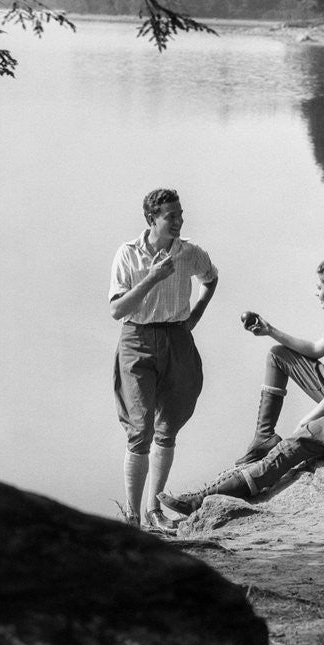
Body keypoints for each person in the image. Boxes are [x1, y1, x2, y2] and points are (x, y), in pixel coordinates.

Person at [159, 256, 324, 516]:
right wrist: (270, 330)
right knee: (278, 355)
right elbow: (316, 350)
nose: (316, 291)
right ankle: (264, 436)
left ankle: (203, 500)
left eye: (320, 286)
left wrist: (307, 421)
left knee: (295, 443)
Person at [109, 188, 218, 532]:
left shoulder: (190, 253)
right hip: (136, 339)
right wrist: (152, 277)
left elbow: (211, 278)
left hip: (176, 338)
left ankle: (154, 512)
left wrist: (193, 318)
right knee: (139, 429)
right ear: (152, 219)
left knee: (168, 427)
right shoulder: (128, 254)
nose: (179, 220)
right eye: (171, 216)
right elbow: (116, 309)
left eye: (180, 213)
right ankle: (132, 516)